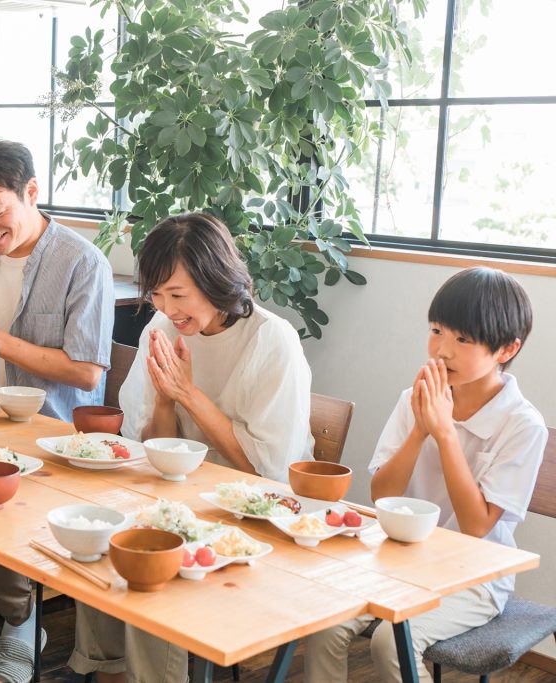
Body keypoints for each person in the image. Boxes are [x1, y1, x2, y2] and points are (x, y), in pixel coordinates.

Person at [71, 212, 315, 683]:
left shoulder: (271, 341)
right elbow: (149, 443)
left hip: (252, 514)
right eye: (157, 294)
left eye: (178, 294)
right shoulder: (161, 329)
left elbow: (268, 473)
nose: (166, 307)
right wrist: (165, 398)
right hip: (182, 497)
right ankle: (107, 671)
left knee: (153, 570)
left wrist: (189, 395)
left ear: (216, 280)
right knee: (99, 539)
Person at [303, 266, 547, 683]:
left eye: (463, 339)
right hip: (399, 558)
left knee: (390, 640)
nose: (442, 350)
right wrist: (420, 427)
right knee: (324, 621)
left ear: (506, 350)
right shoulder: (413, 400)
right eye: (436, 330)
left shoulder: (524, 425)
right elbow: (381, 496)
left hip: (476, 576)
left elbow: (475, 528)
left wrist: (445, 432)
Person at [0, 137, 115, 683]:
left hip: (52, 440)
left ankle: (24, 617)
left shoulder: (82, 263)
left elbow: (88, 371)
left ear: (32, 191)